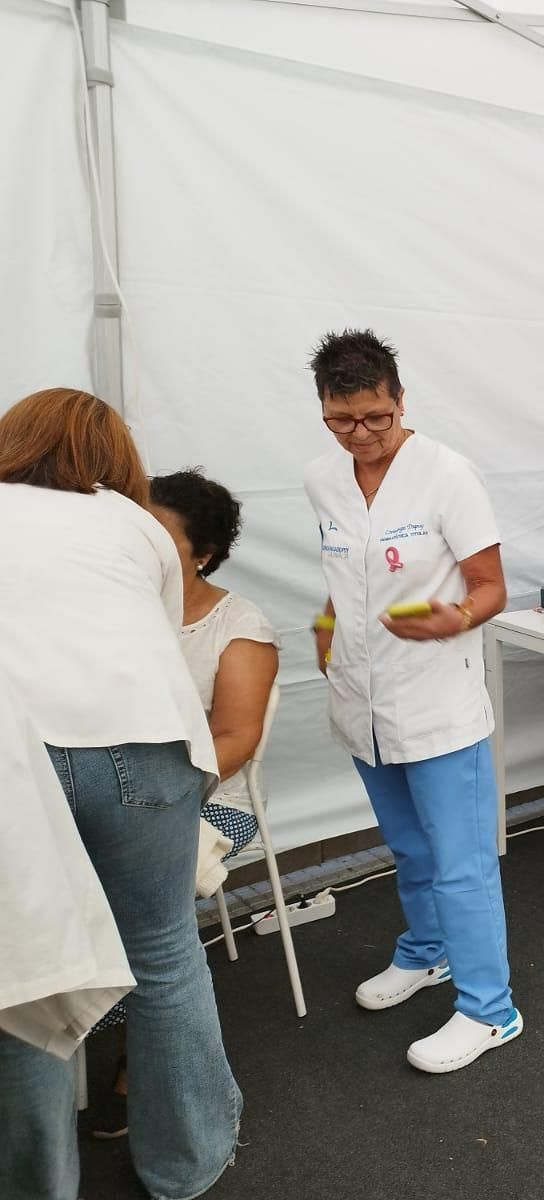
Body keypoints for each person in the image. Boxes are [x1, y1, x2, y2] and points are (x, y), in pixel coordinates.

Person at [0, 389, 241, 1200]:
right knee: (166, 952)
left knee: (29, 968)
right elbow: (158, 633)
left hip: (20, 755)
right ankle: (189, 1163)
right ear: (115, 458)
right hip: (148, 741)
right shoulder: (136, 523)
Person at [302, 330, 519, 1071]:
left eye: (375, 418)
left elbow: (491, 587)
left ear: (400, 401)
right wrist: (326, 627)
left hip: (436, 705)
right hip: (361, 698)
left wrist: (453, 618)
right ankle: (427, 953)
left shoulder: (448, 475)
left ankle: (490, 1009)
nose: (360, 435)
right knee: (409, 849)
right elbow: (345, 583)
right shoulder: (322, 482)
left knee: (461, 863)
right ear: (324, 409)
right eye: (341, 419)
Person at [89, 469, 281, 1140]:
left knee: (129, 905)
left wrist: (151, 794)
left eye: (159, 534)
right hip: (112, 787)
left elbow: (236, 738)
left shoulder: (239, 626)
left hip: (207, 798)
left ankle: (132, 1054)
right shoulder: (109, 607)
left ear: (202, 552)